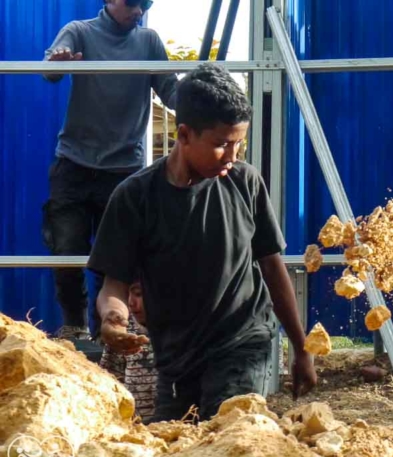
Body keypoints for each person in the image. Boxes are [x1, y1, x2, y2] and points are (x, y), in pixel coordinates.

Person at [88, 64, 317, 422]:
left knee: (227, 431)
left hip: (242, 341)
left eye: (239, 143)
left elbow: (273, 267)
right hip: (176, 358)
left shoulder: (246, 182)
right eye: (222, 144)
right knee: (173, 446)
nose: (233, 156)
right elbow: (113, 283)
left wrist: (301, 349)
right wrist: (112, 318)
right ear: (183, 135)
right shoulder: (135, 197)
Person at [42, 0, 178, 342]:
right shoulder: (79, 31)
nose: (139, 10)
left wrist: (205, 91)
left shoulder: (148, 41)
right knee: (67, 248)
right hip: (73, 163)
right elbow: (50, 69)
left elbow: (171, 91)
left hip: (123, 168)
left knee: (115, 257)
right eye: (132, 2)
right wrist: (58, 62)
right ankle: (74, 327)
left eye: (145, 3)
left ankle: (108, 330)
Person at [100, 279, 157, 423]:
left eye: (139, 294)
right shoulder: (123, 330)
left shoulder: (185, 332)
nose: (131, 302)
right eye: (127, 295)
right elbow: (110, 385)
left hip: (180, 427)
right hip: (136, 432)